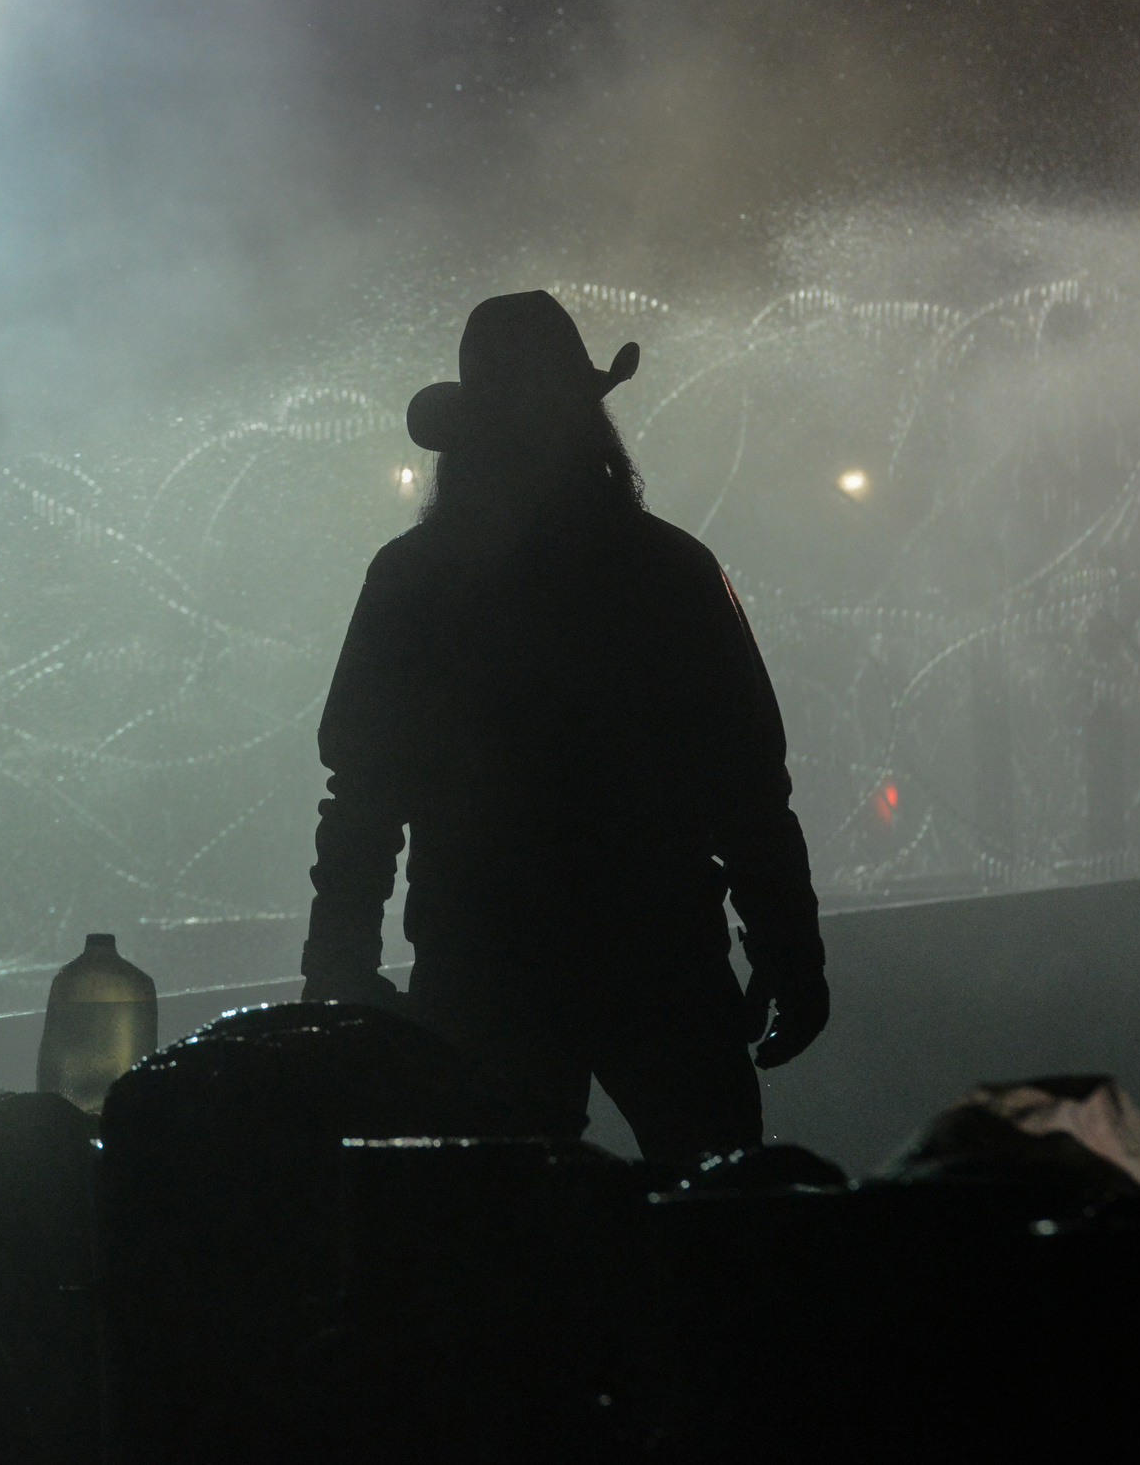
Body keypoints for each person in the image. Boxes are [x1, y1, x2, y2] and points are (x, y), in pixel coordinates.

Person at [299, 291, 827, 1168]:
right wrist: (787, 946)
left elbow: (361, 793)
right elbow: (746, 788)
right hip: (659, 956)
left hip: (483, 963)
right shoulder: (670, 572)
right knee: (717, 1218)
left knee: (500, 1240)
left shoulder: (412, 580)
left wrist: (340, 965)